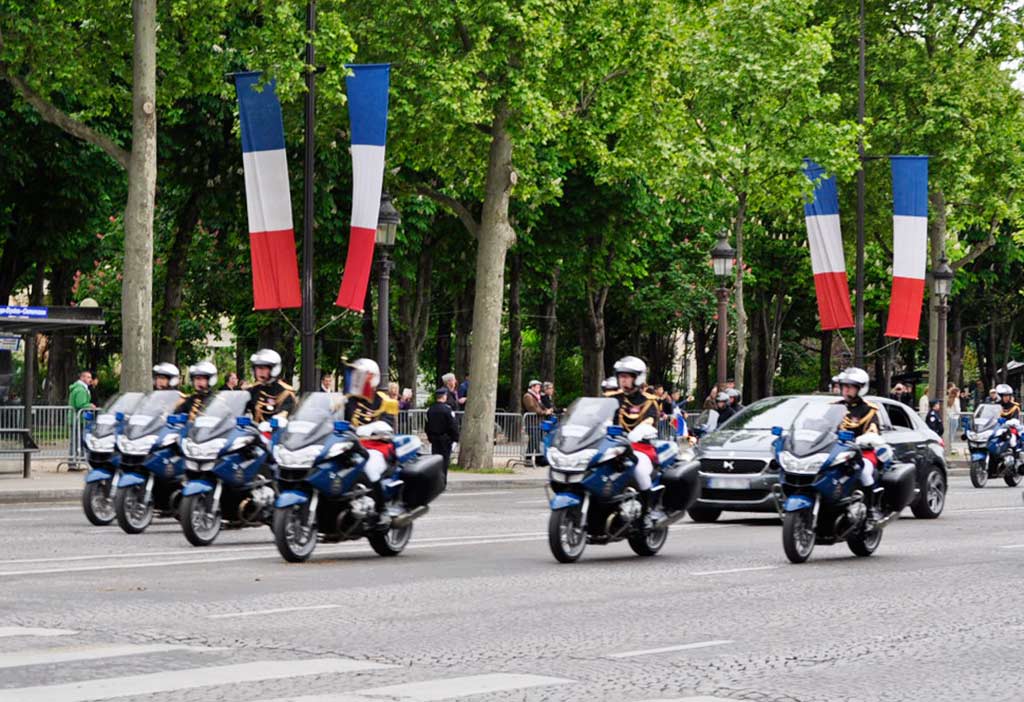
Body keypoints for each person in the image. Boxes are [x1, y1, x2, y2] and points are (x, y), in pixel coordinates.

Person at [604, 356, 663, 525]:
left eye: (627, 376)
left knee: (638, 470)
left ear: (638, 378)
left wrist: (640, 431)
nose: (623, 380)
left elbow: (650, 422)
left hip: (639, 448)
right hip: (613, 446)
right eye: (621, 376)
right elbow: (600, 417)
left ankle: (647, 512)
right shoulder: (613, 398)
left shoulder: (649, 401)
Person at [343, 358, 401, 522]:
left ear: (372, 378)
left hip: (377, 446)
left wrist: (370, 428)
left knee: (369, 467)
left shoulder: (385, 401)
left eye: (361, 376)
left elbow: (388, 425)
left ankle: (382, 510)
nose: (356, 380)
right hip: (352, 445)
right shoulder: (349, 400)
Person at [835, 367, 891, 522]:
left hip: (862, 452)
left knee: (865, 470)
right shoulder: (835, 407)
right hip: (836, 451)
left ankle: (872, 508)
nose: (846, 390)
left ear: (860, 389)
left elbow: (873, 431)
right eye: (844, 386)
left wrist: (865, 438)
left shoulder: (869, 410)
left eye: (850, 387)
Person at [245, 349, 296, 425]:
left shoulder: (285, 392)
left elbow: (286, 413)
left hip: (277, 433)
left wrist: (278, 419)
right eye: (257, 368)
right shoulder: (252, 390)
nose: (260, 371)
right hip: (255, 433)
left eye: (264, 368)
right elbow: (240, 408)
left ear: (274, 369)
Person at [425, 387, 459, 476]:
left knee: (435, 461)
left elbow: (427, 426)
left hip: (434, 439)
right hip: (445, 439)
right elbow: (453, 425)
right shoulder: (447, 410)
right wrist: (455, 438)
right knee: (444, 461)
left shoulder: (430, 410)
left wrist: (430, 437)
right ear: (444, 397)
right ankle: (443, 481)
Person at [68, 370, 96, 465]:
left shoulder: (80, 388)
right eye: (88, 377)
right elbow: (80, 404)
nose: (90, 379)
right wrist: (90, 405)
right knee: (77, 440)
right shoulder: (80, 390)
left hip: (77, 418)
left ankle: (75, 461)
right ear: (82, 378)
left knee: (76, 440)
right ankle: (74, 462)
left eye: (90, 377)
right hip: (78, 419)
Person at [523, 379, 548, 459]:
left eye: (539, 387)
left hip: (538, 422)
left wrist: (547, 410)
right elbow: (532, 408)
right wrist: (544, 412)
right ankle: (532, 458)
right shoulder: (528, 396)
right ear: (532, 387)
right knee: (534, 441)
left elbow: (540, 406)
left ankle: (534, 459)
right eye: (537, 387)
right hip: (531, 422)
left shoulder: (537, 397)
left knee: (536, 441)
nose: (539, 389)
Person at [995, 384, 1022, 461]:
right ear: (1000, 396)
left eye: (1008, 396)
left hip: (1010, 429)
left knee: (1012, 440)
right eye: (1004, 396)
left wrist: (1007, 422)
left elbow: (1015, 419)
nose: (1007, 398)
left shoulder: (1014, 406)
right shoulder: (996, 405)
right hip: (996, 428)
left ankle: (1015, 459)